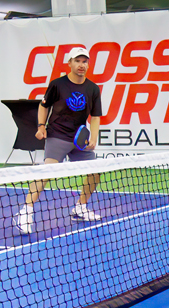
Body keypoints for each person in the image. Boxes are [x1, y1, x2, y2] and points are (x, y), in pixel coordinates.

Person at [16, 47, 104, 235]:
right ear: (70, 63)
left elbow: (95, 116)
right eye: (77, 61)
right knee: (47, 171)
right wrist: (41, 126)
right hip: (57, 135)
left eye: (84, 61)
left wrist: (94, 137)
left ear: (88, 65)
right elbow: (44, 106)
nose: (81, 65)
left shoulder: (93, 89)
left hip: (79, 138)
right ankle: (26, 211)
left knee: (95, 172)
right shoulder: (57, 85)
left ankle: (80, 208)